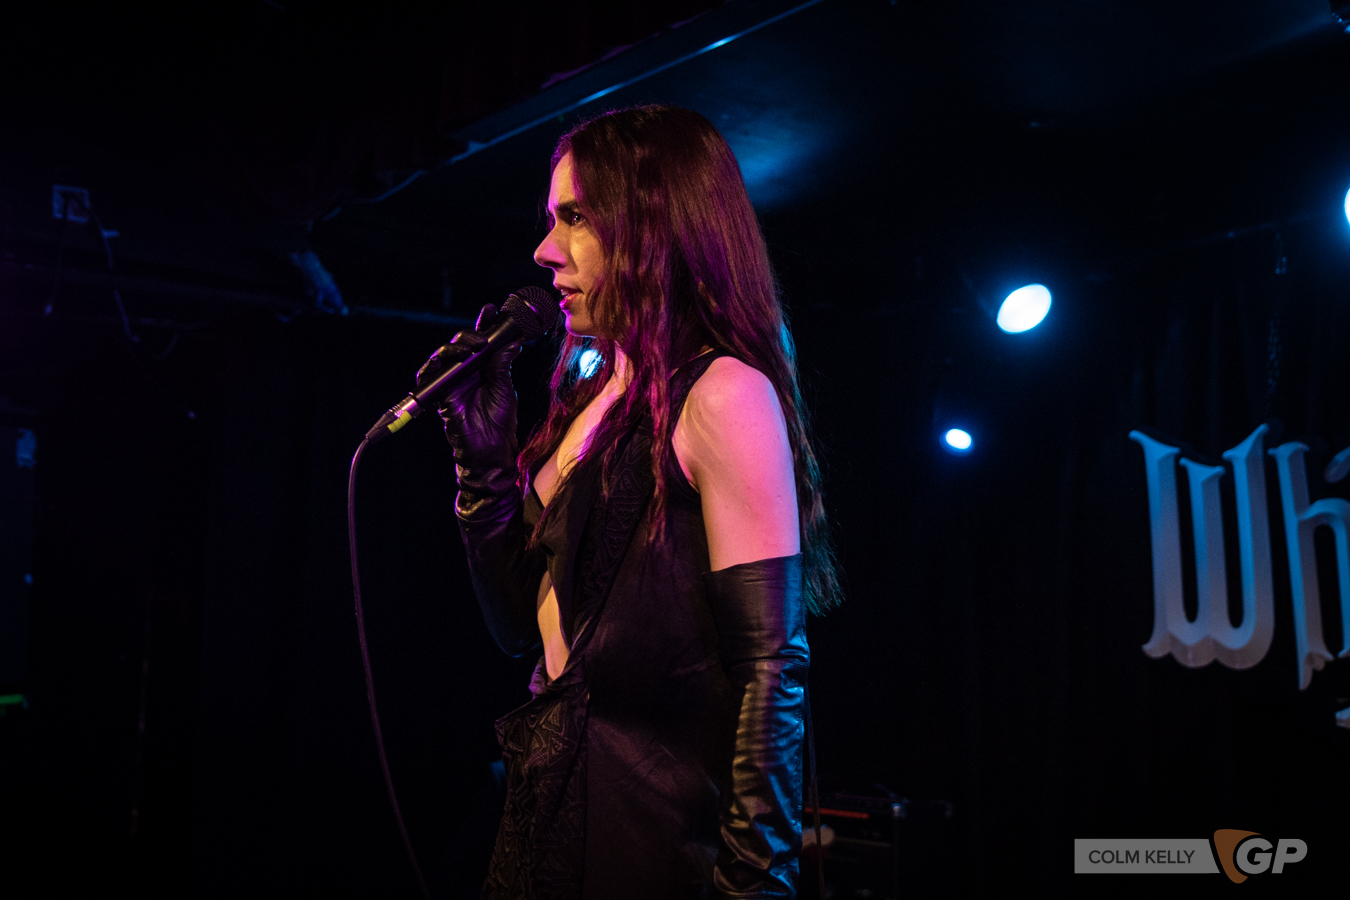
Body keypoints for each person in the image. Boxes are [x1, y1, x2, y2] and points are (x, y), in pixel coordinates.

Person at [418, 105, 839, 899]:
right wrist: (482, 472)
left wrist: (753, 885)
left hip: (651, 845)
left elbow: (771, 668)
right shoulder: (596, 394)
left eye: (575, 218)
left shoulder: (723, 394)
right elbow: (518, 627)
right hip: (551, 818)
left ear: (653, 226)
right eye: (551, 221)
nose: (545, 251)